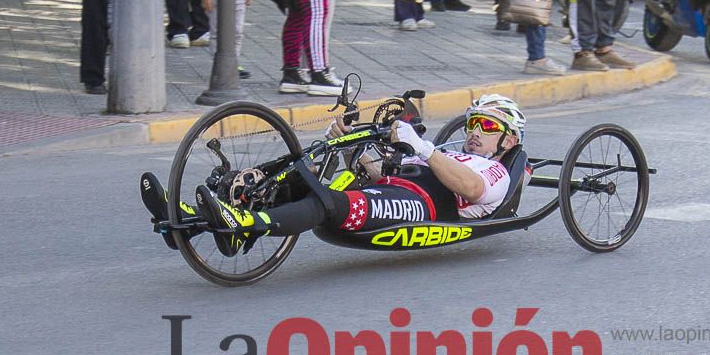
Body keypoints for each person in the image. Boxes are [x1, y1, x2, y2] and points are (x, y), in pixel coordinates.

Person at [190, 94, 527, 257]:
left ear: (508, 140)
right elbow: (384, 173)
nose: (476, 131)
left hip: (420, 208)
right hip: (392, 191)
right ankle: (200, 218)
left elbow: (471, 188)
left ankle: (245, 225)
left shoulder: (494, 170)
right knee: (299, 180)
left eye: (488, 126)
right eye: (473, 123)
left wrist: (424, 148)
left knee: (330, 203)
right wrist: (351, 147)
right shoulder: (451, 154)